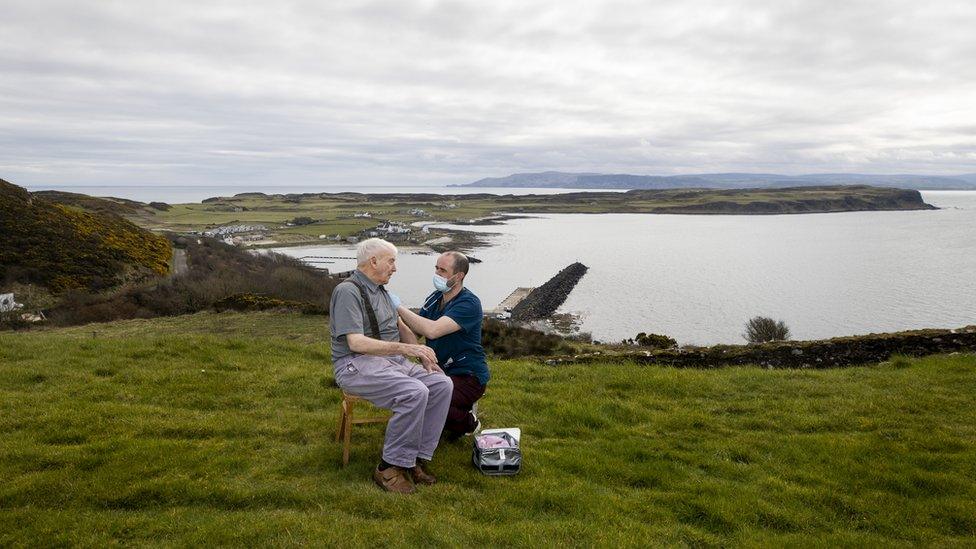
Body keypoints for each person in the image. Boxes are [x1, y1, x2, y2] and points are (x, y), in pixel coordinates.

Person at [329, 238, 453, 494]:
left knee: (441, 384)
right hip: (355, 364)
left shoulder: (382, 292)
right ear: (373, 261)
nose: (395, 268)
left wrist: (422, 356)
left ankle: (413, 459)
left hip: (389, 362)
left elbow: (400, 327)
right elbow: (356, 342)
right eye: (391, 261)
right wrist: (407, 349)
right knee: (414, 392)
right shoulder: (347, 291)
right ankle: (388, 467)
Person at [395, 251, 490, 438]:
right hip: (439, 370)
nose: (437, 274)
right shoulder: (434, 298)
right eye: (436, 269)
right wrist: (398, 321)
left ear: (459, 276)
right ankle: (449, 415)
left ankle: (469, 422)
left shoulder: (469, 303)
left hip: (468, 375)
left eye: (443, 270)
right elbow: (415, 335)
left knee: (431, 399)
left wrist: (398, 307)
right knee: (414, 394)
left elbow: (432, 330)